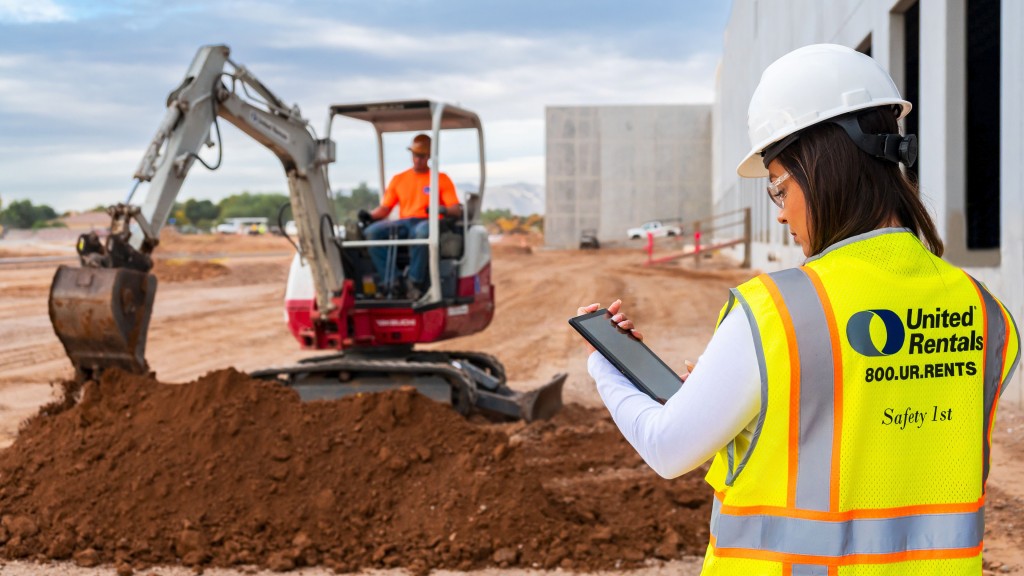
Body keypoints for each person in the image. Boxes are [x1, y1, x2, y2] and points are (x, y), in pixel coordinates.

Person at [576, 44, 1020, 575]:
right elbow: (882, 421)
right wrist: (761, 397)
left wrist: (605, 368)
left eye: (778, 188)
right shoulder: (984, 310)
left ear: (824, 168)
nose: (782, 214)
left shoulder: (777, 311)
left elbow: (670, 448)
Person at [360, 133, 462, 300]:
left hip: (429, 222)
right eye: (415, 155)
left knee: (421, 233)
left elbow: (455, 209)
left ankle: (414, 282)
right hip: (404, 222)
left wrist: (441, 209)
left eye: (421, 156)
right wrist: (370, 215)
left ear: (429, 156)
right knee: (372, 233)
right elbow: (385, 208)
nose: (417, 159)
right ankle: (392, 281)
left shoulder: (440, 179)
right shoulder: (399, 179)